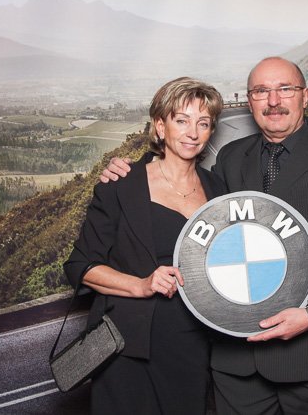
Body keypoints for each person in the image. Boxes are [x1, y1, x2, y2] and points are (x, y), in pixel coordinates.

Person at [100, 57, 308, 415]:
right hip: (236, 367)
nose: (273, 101)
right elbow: (193, 202)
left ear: (305, 95)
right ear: (249, 101)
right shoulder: (232, 158)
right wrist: (130, 172)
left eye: (285, 89)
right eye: (261, 91)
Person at [64, 77, 226, 415]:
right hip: (129, 345)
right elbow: (80, 266)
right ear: (160, 126)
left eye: (203, 123)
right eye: (181, 120)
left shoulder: (219, 191)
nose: (192, 132)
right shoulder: (122, 185)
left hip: (193, 344)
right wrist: (141, 285)